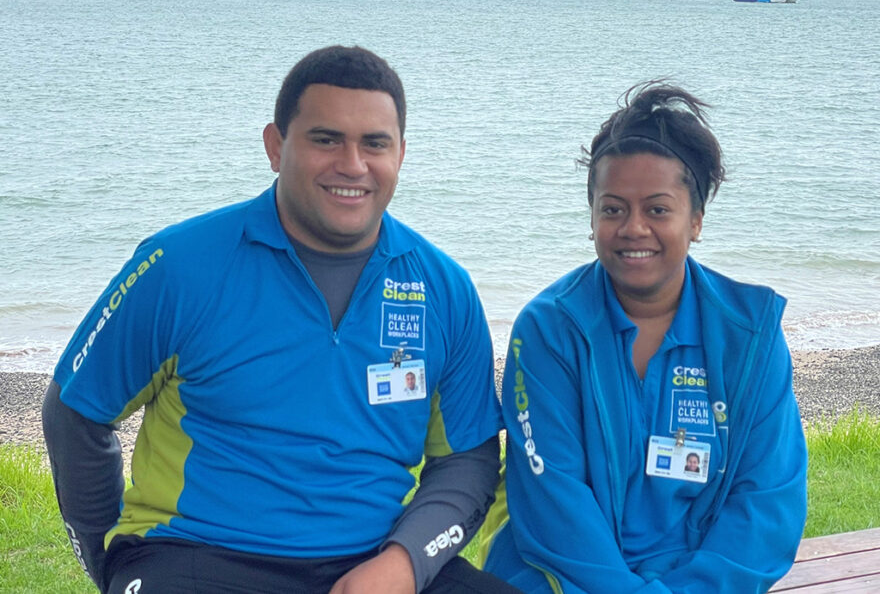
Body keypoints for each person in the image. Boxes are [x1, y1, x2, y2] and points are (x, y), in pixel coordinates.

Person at [43, 45, 519, 594]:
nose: (353, 164)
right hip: (196, 555)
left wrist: (404, 564)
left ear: (402, 155)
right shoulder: (180, 265)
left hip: (372, 562)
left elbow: (468, 460)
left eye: (375, 144)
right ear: (276, 146)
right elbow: (75, 412)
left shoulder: (443, 286)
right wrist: (107, 561)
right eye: (326, 139)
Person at [479, 81, 807, 593]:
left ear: (695, 220)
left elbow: (767, 503)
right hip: (560, 576)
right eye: (612, 209)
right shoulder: (548, 331)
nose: (633, 228)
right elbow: (554, 503)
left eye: (657, 209)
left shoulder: (749, 338)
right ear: (591, 220)